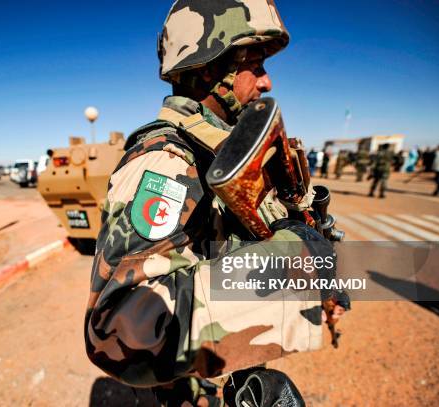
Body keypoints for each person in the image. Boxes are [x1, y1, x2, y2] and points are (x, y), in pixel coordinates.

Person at [84, 2, 347, 406]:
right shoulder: (168, 161)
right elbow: (118, 327)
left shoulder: (220, 152)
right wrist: (293, 261)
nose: (267, 81)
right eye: (255, 65)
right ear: (209, 69)